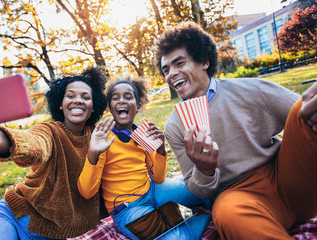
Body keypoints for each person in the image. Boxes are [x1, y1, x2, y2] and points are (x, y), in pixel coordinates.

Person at [155, 21, 317, 239]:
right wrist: (205, 170)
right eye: (166, 70)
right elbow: (196, 189)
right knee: (226, 213)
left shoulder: (252, 89)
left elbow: (303, 120)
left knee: (305, 108)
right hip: (238, 196)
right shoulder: (175, 125)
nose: (171, 74)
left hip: (288, 178)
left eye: (179, 63)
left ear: (204, 61)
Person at [0, 67, 109, 239]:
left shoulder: (101, 136)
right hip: (13, 215)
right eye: (70, 95)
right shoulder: (49, 131)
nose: (78, 101)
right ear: (60, 103)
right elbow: (34, 145)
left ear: (93, 106)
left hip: (54, 233)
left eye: (86, 97)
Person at [77, 75, 210, 240]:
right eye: (115, 98)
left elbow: (159, 178)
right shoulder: (102, 137)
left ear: (138, 105)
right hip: (128, 210)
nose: (121, 101)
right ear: (110, 106)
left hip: (153, 191)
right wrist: (93, 154)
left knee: (201, 188)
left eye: (128, 97)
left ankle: (179, 216)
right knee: (176, 238)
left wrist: (160, 149)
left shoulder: (142, 134)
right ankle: (191, 222)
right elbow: (87, 191)